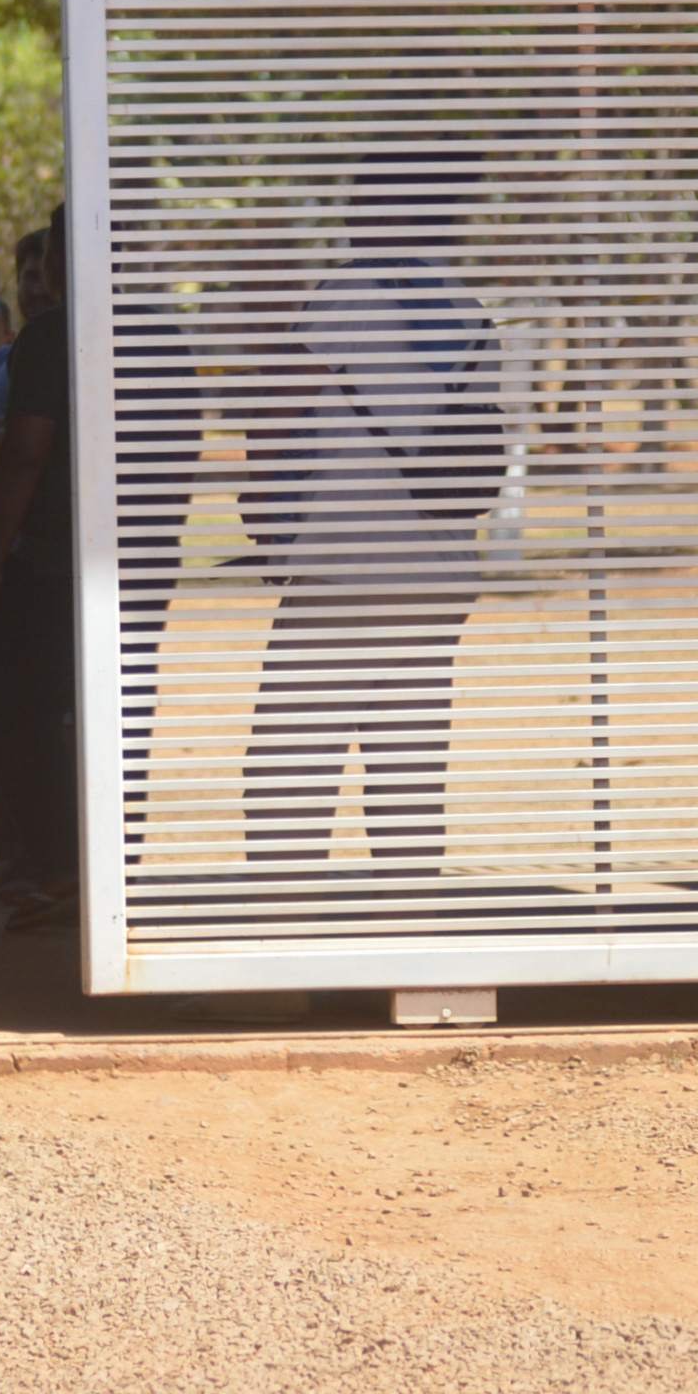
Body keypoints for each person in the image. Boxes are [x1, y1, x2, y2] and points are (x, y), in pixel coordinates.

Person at [238, 171, 502, 890]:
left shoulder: (348, 295)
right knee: (408, 770)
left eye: (360, 204)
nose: (349, 220)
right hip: (439, 579)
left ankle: (276, 977)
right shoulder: (470, 312)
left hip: (346, 571)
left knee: (287, 770)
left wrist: (263, 510)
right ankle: (408, 931)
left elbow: (275, 410)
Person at [0, 212, 82, 931]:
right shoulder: (164, 334)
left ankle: (59, 871)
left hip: (49, 568)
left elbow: (25, 454)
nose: (40, 275)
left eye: (46, 257)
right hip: (133, 573)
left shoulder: (51, 338)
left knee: (43, 722)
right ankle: (96, 868)